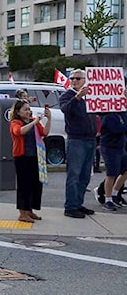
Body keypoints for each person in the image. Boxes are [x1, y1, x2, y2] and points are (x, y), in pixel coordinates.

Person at [58, 69, 96, 218]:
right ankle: (70, 206)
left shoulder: (91, 95)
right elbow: (65, 109)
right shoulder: (67, 95)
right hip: (76, 139)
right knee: (74, 174)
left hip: (90, 139)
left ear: (85, 80)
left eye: (78, 78)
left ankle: (78, 203)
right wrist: (77, 97)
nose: (74, 80)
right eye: (72, 78)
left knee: (85, 175)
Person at [9, 100, 51, 223]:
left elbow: (45, 132)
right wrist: (34, 122)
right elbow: (19, 131)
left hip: (36, 156)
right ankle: (22, 212)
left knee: (36, 184)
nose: (28, 111)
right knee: (24, 185)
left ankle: (30, 210)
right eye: (25, 110)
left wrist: (49, 119)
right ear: (18, 112)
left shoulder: (33, 121)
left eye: (29, 109)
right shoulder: (15, 122)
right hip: (22, 157)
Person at [98, 106, 127, 211]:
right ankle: (108, 199)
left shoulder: (121, 113)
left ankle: (115, 194)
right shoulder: (108, 115)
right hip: (109, 147)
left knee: (124, 170)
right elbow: (117, 129)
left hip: (120, 146)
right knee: (111, 174)